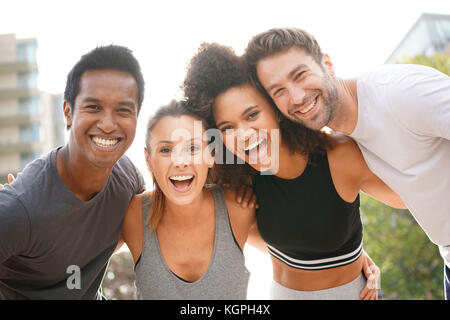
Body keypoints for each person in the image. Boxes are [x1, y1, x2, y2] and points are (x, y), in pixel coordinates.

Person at [182, 43, 406, 300]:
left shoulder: (338, 156)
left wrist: (355, 256)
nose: (243, 134)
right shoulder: (242, 181)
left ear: (276, 111)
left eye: (252, 115)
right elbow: (276, 238)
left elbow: (408, 200)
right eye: (227, 127)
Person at [244, 27, 450, 299]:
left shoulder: (401, 92)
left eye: (300, 75)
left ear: (326, 63)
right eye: (279, 90)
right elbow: (404, 199)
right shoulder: (343, 146)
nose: (296, 97)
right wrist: (352, 254)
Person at [0, 45, 146, 299]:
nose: (108, 124)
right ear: (68, 112)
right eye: (94, 107)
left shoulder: (128, 178)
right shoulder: (20, 209)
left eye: (123, 110)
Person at [118, 100, 257, 299]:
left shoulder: (239, 207)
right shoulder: (132, 216)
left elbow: (294, 254)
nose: (180, 162)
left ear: (211, 155)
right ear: (148, 160)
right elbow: (82, 264)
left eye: (192, 148)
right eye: (166, 150)